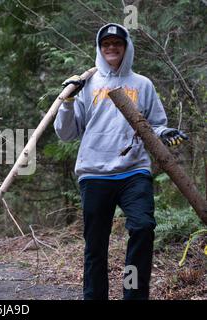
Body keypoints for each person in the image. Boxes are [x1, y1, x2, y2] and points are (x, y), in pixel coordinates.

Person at [54, 23, 188, 300]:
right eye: (106, 44)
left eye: (117, 43)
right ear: (99, 49)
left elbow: (154, 125)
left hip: (133, 171)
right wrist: (67, 101)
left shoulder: (142, 84)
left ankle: (133, 293)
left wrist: (165, 133)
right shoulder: (87, 84)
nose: (112, 48)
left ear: (126, 47)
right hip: (94, 173)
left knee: (141, 228)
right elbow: (66, 133)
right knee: (95, 245)